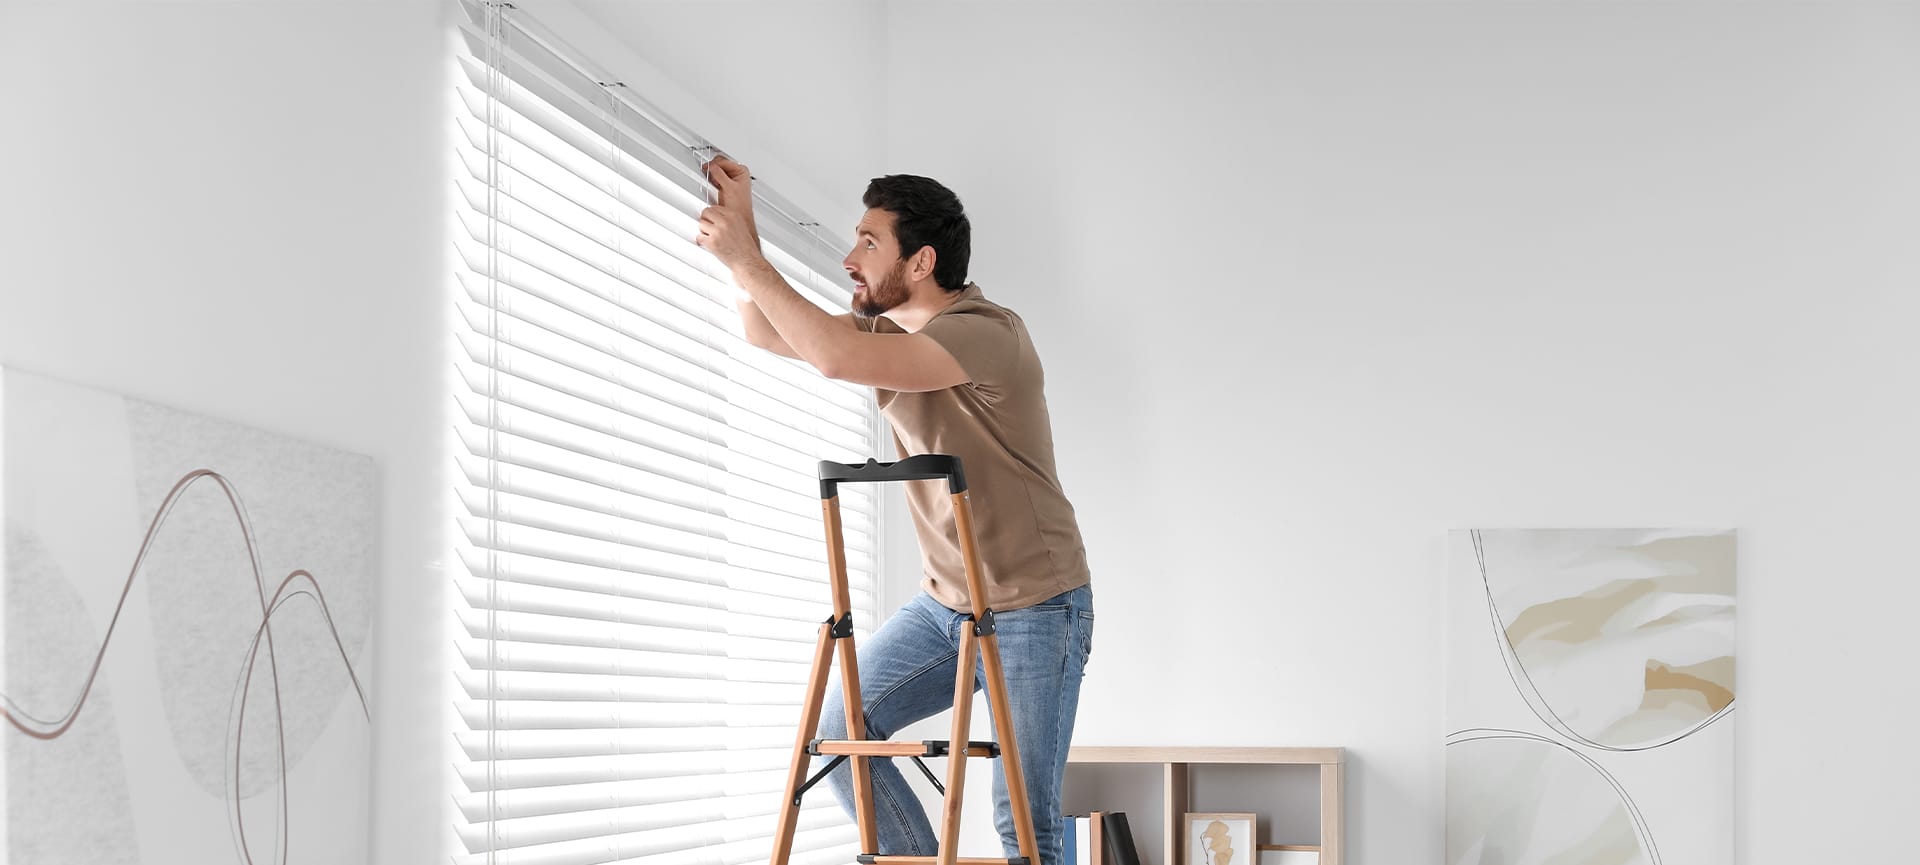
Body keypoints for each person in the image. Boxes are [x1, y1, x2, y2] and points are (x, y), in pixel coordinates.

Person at [694, 155, 1094, 865]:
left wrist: (745, 255)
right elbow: (765, 330)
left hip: (1037, 603)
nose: (850, 259)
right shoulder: (897, 343)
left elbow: (831, 356)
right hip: (947, 605)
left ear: (921, 262)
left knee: (1025, 828)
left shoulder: (986, 332)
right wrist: (744, 229)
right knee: (845, 734)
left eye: (869, 243)